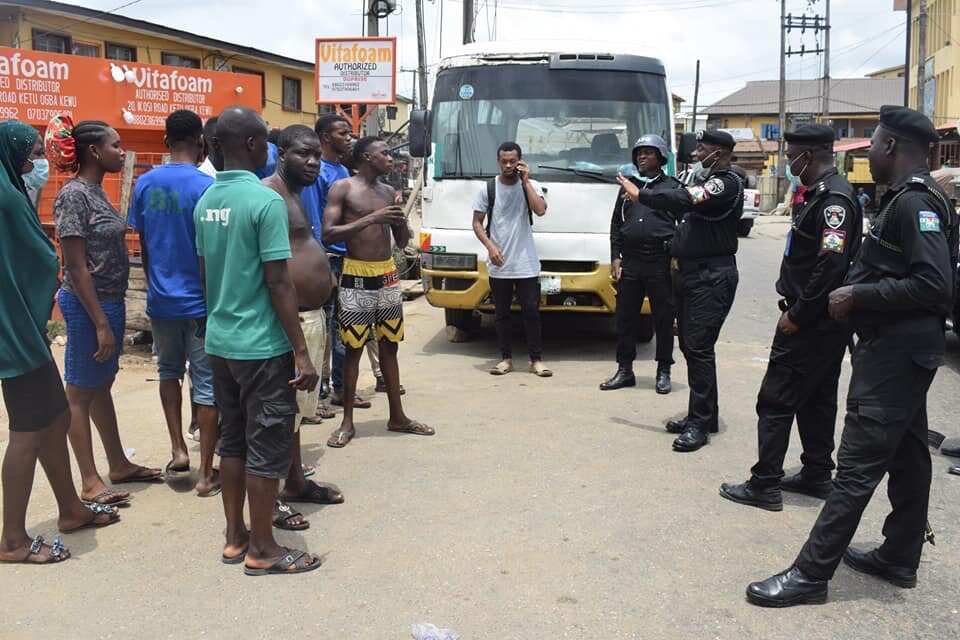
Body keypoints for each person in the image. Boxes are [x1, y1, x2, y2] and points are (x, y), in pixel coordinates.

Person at [746, 106, 954, 607]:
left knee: (857, 466)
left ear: (890, 148)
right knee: (907, 455)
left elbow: (933, 283)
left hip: (895, 356)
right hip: (898, 353)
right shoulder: (908, 198)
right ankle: (899, 555)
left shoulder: (915, 205)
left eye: (874, 144)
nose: (869, 155)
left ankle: (810, 574)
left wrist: (857, 296)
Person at [195, 106, 321, 575]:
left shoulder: (207, 201)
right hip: (262, 345)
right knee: (266, 443)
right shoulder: (265, 201)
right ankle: (263, 549)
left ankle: (235, 537)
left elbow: (207, 274)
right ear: (252, 145)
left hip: (221, 342)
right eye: (265, 141)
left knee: (234, 441)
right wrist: (302, 353)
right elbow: (279, 283)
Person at [719, 124, 862, 512]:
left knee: (776, 399)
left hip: (811, 321)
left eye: (790, 155)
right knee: (816, 399)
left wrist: (798, 314)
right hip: (824, 322)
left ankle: (764, 483)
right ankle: (817, 475)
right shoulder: (819, 194)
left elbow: (830, 263)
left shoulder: (833, 200)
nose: (787, 162)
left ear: (809, 156)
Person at [0, 120, 120, 566]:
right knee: (28, 429)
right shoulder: (3, 195)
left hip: (26, 326)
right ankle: (11, 539)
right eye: (29, 151)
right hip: (13, 328)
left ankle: (70, 507)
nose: (36, 160)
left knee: (52, 416)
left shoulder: (9, 187)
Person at [50, 117, 162, 506]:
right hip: (87, 308)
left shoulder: (97, 192)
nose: (120, 151)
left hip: (108, 303)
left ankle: (117, 464)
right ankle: (89, 480)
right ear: (94, 152)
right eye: (115, 145)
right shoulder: (74, 195)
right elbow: (76, 267)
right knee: (80, 393)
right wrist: (100, 322)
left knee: (100, 388)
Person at [619, 130, 743, 452]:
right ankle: (703, 414)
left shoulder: (724, 183)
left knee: (699, 348)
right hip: (693, 275)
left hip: (712, 276)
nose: (698, 151)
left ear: (719, 152)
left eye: (703, 147)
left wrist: (641, 195)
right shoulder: (704, 179)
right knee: (691, 346)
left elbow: (685, 199)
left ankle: (700, 424)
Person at [127, 110, 220, 497]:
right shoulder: (206, 187)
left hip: (162, 299)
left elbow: (144, 246)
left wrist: (155, 287)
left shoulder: (145, 185)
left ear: (166, 142)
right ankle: (205, 472)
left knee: (169, 373)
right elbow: (211, 252)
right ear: (201, 142)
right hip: (200, 302)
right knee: (208, 385)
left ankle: (178, 450)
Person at [322, 137, 433, 448]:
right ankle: (347, 421)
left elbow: (400, 242)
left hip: (386, 275)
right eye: (384, 153)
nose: (389, 157)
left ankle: (397, 416)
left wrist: (398, 220)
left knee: (390, 346)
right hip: (356, 273)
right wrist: (372, 218)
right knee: (353, 349)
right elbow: (328, 233)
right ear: (367, 157)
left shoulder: (387, 192)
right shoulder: (343, 187)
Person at [262, 124, 343, 530]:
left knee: (295, 413)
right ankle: (271, 497)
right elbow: (270, 271)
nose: (312, 162)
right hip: (287, 323)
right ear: (281, 154)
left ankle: (294, 481)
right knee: (277, 414)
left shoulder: (296, 194)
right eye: (302, 154)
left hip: (310, 317)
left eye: (316, 154)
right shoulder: (270, 195)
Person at [601, 134, 681, 394]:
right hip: (631, 263)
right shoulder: (628, 186)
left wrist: (677, 258)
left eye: (648, 153)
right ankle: (625, 370)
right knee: (625, 319)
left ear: (660, 157)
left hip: (660, 262)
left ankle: (663, 371)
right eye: (638, 153)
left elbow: (684, 225)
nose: (641, 157)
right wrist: (615, 256)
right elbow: (616, 224)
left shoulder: (672, 187)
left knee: (663, 319)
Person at [302, 113, 371, 412]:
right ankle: (316, 395)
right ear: (325, 137)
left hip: (347, 258)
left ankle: (343, 389)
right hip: (327, 259)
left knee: (345, 328)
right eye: (343, 132)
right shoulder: (317, 173)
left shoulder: (342, 169)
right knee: (322, 329)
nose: (349, 137)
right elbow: (314, 221)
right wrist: (320, 259)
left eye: (350, 132)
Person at [471, 141, 551, 377]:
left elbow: (541, 210)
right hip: (499, 264)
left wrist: (526, 182)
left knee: (531, 312)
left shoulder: (532, 185)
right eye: (504, 161)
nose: (508, 165)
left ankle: (536, 360)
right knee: (502, 314)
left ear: (520, 162)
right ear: (498, 161)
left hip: (526, 263)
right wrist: (490, 246)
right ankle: (506, 359)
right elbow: (477, 222)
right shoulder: (488, 188)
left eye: (512, 161)